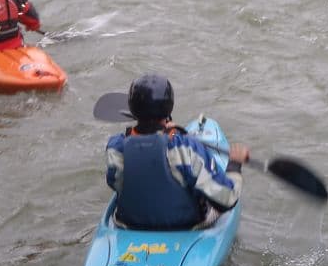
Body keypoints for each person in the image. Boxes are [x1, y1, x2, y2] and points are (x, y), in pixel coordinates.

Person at [105, 74, 251, 230]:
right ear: (168, 107)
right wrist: (235, 164)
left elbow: (115, 183)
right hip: (184, 224)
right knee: (219, 199)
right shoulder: (186, 147)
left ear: (132, 108)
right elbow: (226, 199)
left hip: (130, 223)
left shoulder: (116, 147)